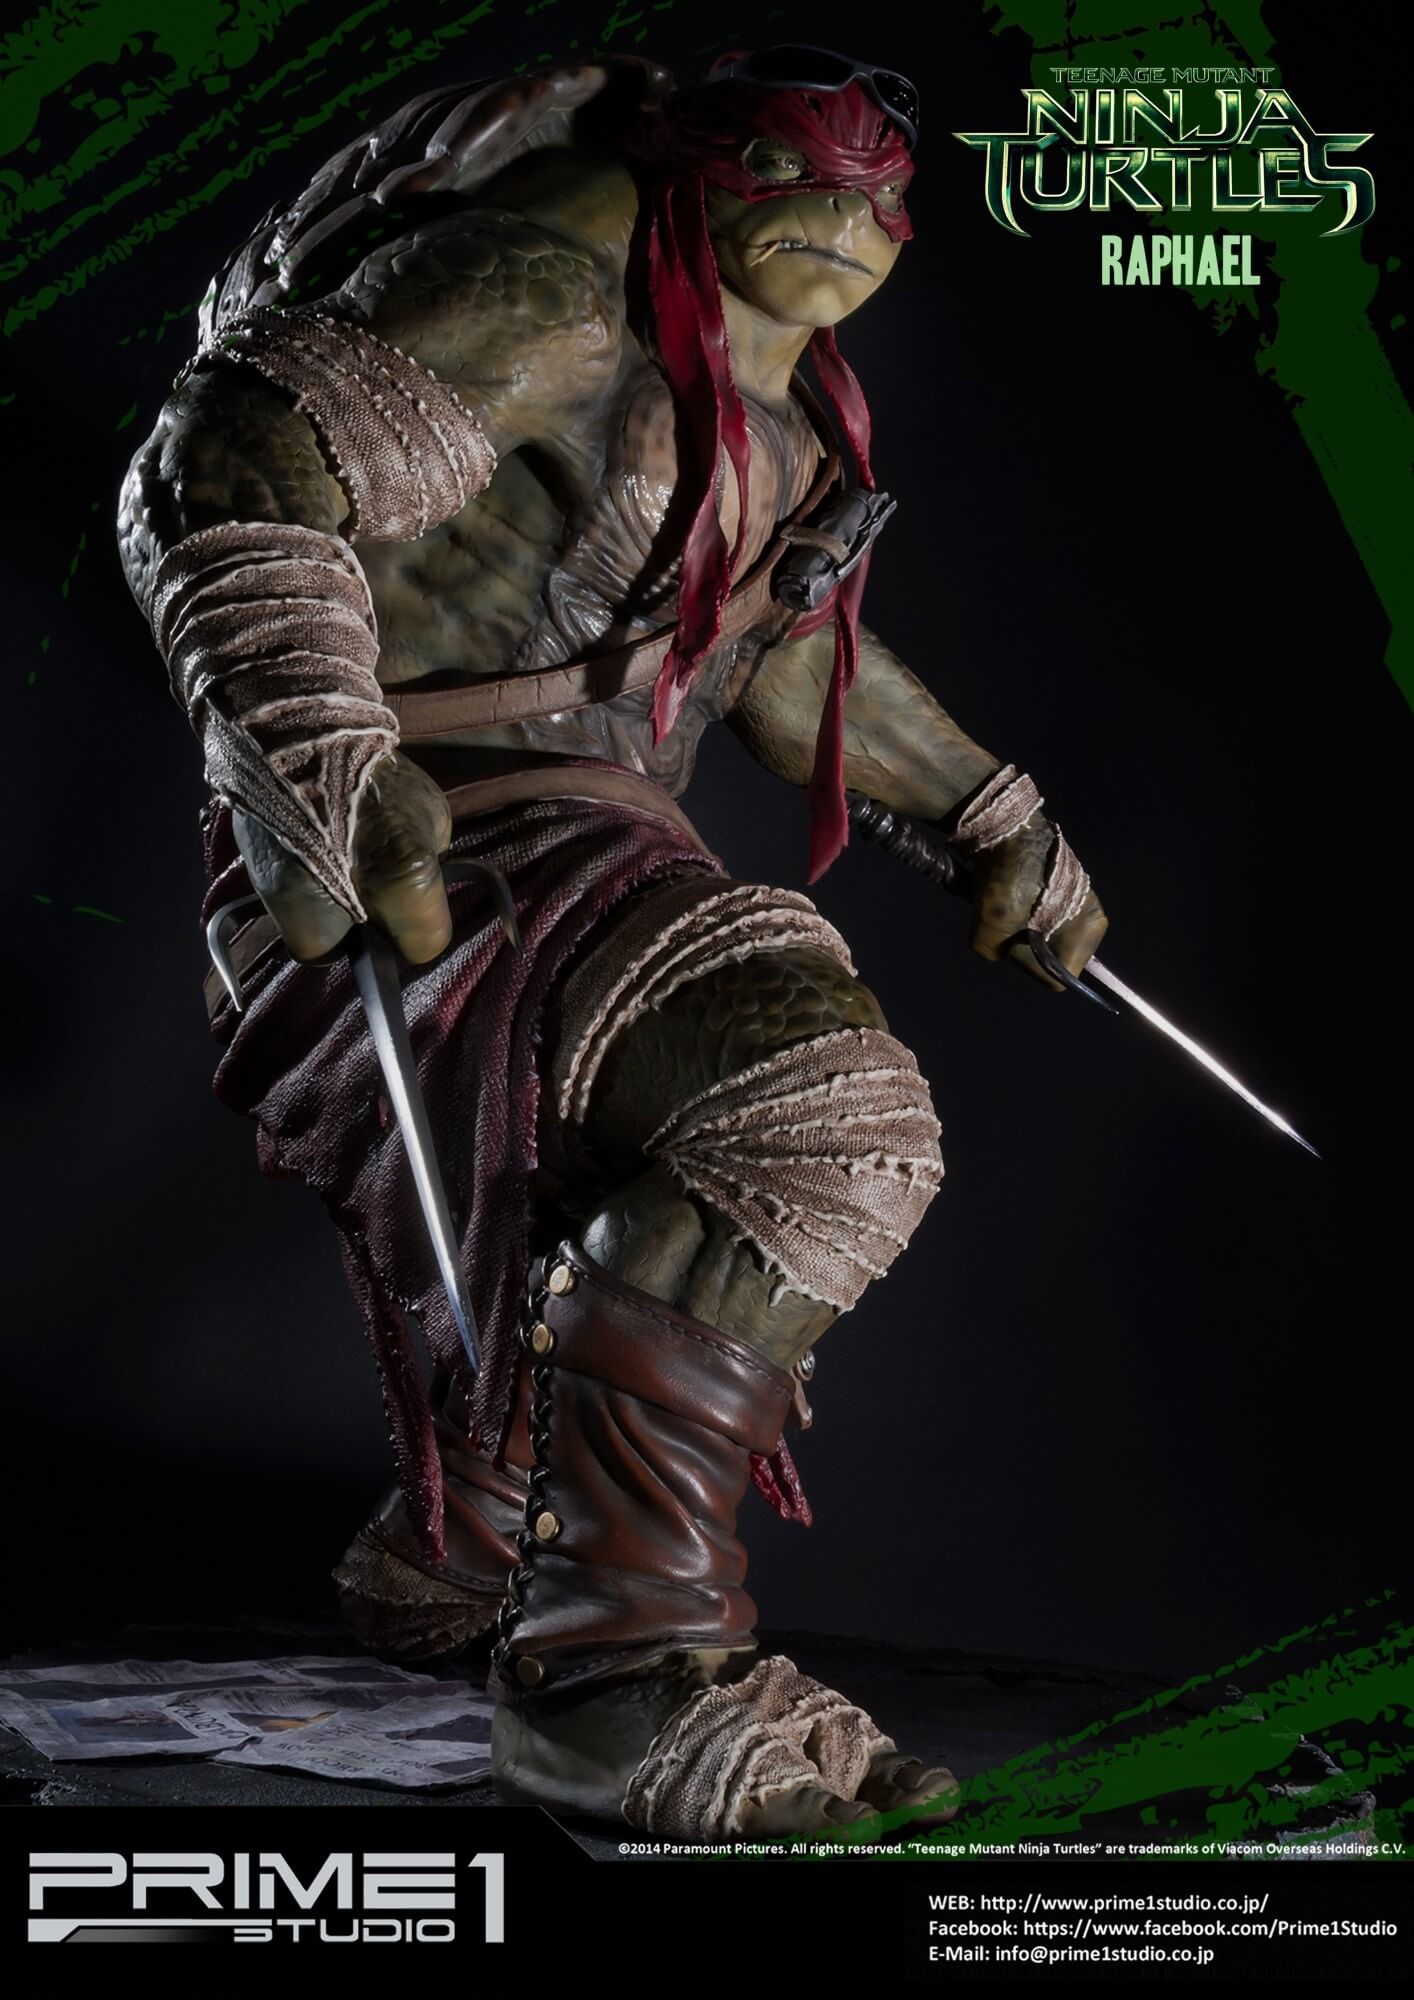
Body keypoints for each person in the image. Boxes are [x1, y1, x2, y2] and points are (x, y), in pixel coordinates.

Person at [118, 46, 1106, 1839]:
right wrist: (308, 747)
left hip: (586, 834)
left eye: (880, 197)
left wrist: (988, 812)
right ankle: (609, 1674)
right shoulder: (549, 282)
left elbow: (767, 658)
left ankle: (490, 1530)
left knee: (730, 1170)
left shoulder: (781, 403)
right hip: (427, 845)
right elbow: (214, 450)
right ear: (699, 168)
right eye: (794, 175)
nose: (844, 217)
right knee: (810, 1125)